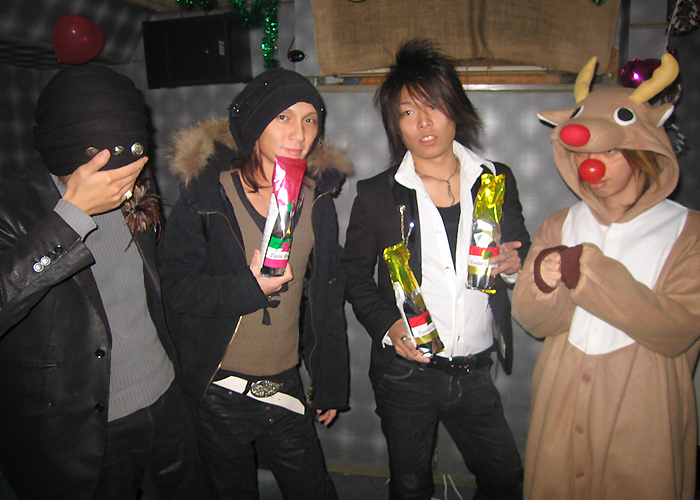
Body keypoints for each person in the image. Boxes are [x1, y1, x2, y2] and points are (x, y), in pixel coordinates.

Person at [0, 65, 207, 499]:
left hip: (164, 396)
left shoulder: (134, 187)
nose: (125, 169)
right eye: (106, 154)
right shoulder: (12, 205)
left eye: (134, 150)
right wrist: (70, 217)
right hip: (80, 425)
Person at [343, 39, 529, 500]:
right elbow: (353, 275)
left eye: (433, 105)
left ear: (455, 108)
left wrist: (513, 264)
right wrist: (388, 326)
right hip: (407, 374)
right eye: (408, 112)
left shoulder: (496, 178)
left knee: (506, 480)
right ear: (395, 125)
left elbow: (519, 249)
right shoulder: (376, 194)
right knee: (410, 487)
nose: (423, 122)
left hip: (475, 370)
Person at [157, 68, 352, 500]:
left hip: (285, 385)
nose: (299, 133)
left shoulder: (317, 198)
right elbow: (174, 288)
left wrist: (329, 382)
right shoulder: (209, 194)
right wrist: (246, 287)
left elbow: (326, 297)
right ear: (254, 124)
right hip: (218, 389)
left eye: (310, 119)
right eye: (283, 117)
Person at [512, 54, 700, 499]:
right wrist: (543, 284)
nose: (590, 167)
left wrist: (592, 274)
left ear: (643, 150)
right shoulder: (560, 223)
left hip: (644, 406)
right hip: (561, 399)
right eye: (581, 154)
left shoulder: (688, 231)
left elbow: (677, 330)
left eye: (609, 151)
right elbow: (534, 322)